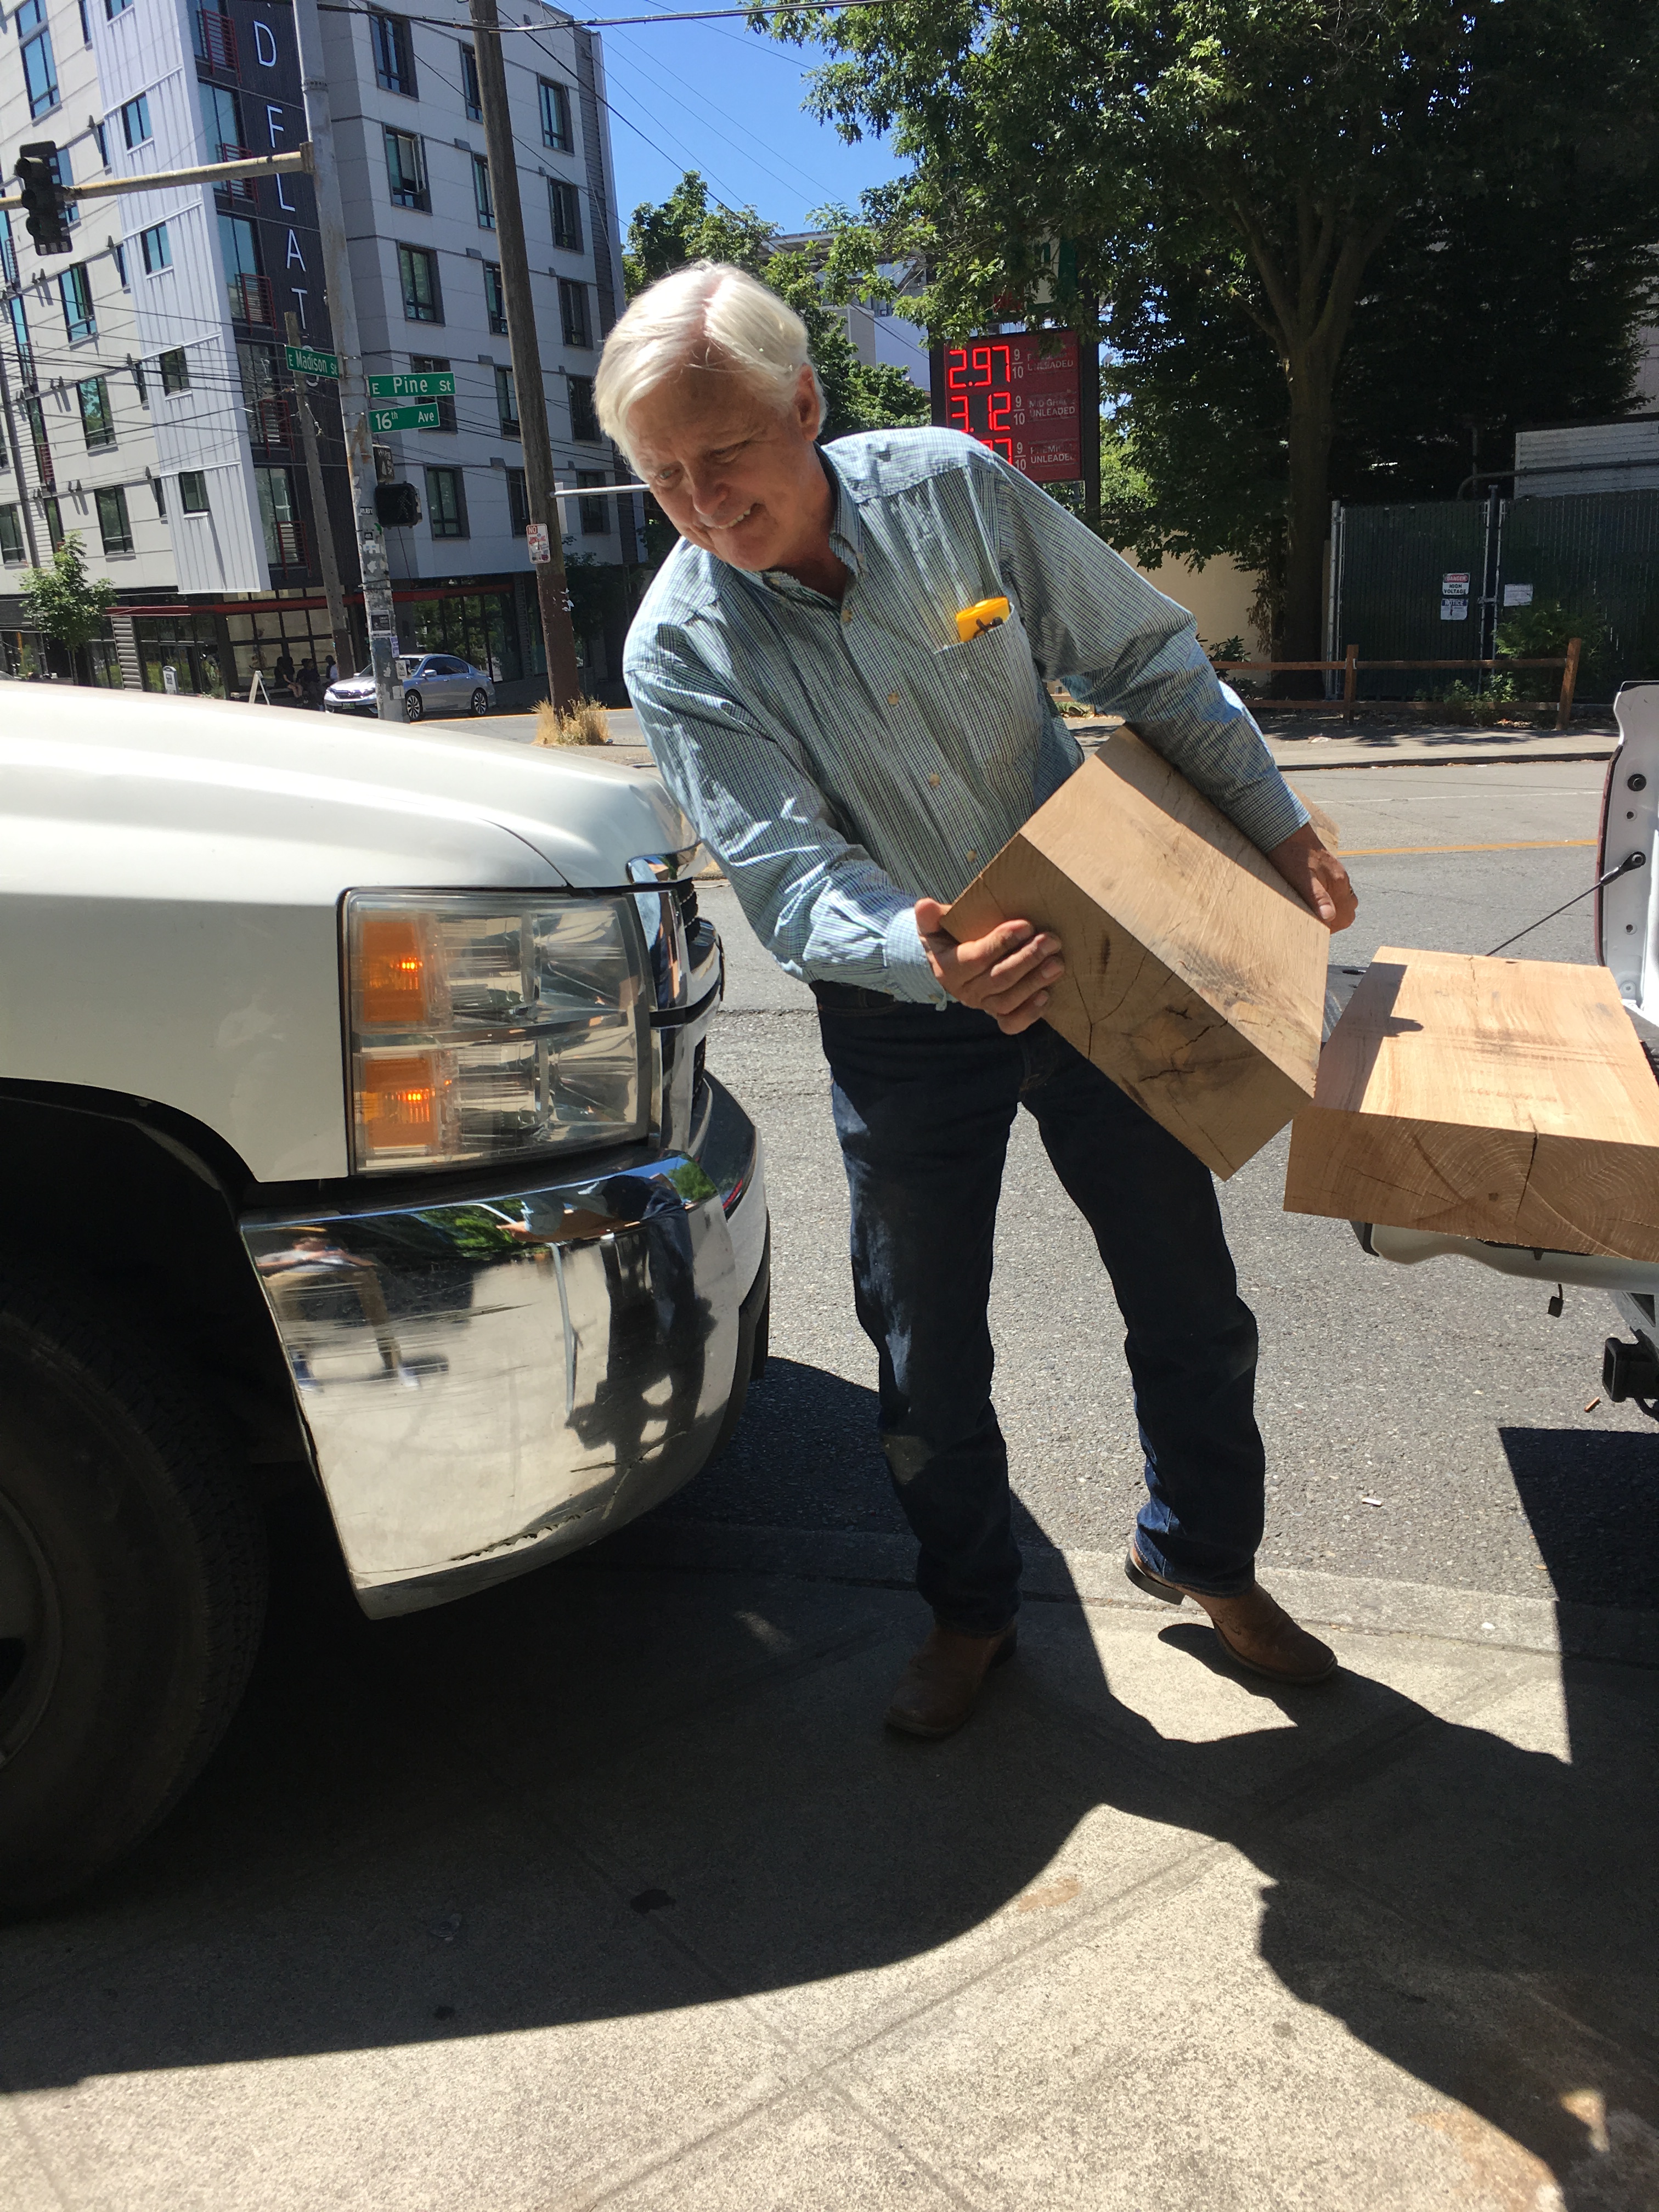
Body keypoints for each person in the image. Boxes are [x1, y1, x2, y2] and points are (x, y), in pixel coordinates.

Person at [601, 264, 1359, 1739]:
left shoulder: (952, 488)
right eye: (664, 477)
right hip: (906, 1016)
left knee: (1188, 1299)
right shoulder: (678, 649)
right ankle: (971, 1610)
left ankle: (1207, 1560)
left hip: (1102, 958)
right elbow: (779, 865)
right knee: (924, 1341)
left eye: (728, 456)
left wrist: (1277, 822)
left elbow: (1139, 650)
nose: (703, 502)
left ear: (804, 406)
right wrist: (919, 943)